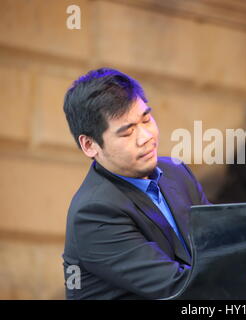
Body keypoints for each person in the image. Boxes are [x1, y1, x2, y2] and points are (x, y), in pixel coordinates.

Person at [62, 68, 209, 299]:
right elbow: (178, 288)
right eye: (127, 132)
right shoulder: (93, 213)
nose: (146, 137)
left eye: (146, 119)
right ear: (90, 145)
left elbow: (217, 246)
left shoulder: (176, 172)